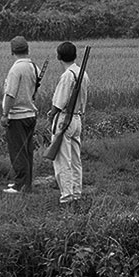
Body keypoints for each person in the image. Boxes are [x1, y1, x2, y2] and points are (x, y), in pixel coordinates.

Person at [47, 41, 88, 205]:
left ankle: (67, 197)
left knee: (63, 160)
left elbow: (58, 103)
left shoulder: (67, 76)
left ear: (59, 56)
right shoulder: (83, 73)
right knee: (76, 160)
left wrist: (51, 115)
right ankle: (76, 194)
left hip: (65, 119)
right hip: (77, 118)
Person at [0, 36, 39, 194]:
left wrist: (5, 114)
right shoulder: (33, 67)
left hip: (18, 116)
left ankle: (20, 185)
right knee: (27, 151)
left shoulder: (16, 69)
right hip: (30, 114)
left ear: (12, 51)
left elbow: (10, 95)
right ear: (27, 49)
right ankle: (26, 183)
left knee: (18, 151)